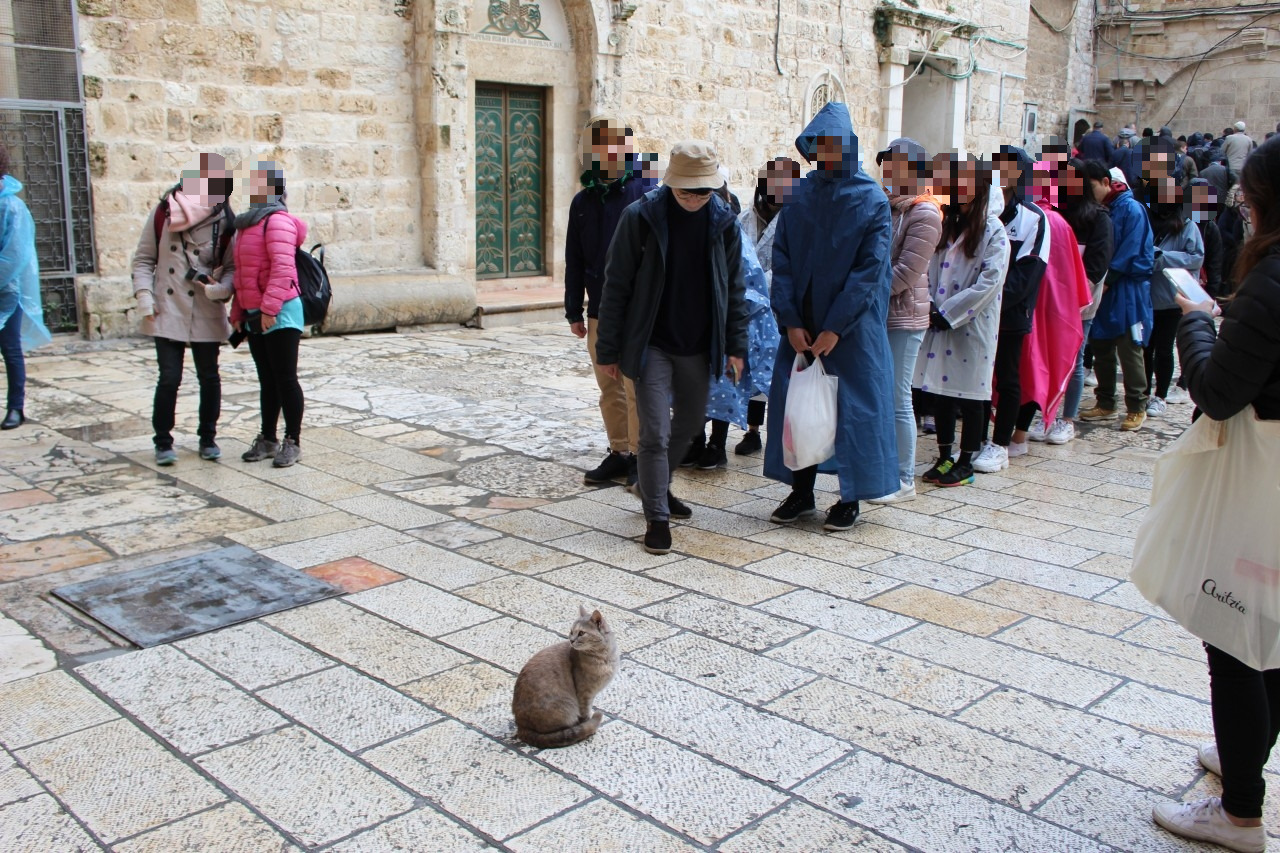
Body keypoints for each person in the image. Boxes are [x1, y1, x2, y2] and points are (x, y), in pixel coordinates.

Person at [1150, 134, 1280, 853]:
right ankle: (1246, 760)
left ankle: (1239, 811)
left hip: (1259, 478)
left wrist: (1198, 326)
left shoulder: (1271, 278)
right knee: (1272, 623)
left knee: (1232, 631)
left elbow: (1218, 391)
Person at [595, 141, 749, 555]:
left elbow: (735, 289)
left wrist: (736, 345)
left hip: (698, 345)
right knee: (655, 434)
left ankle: (652, 486)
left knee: (689, 425)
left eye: (703, 190)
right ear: (671, 183)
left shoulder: (724, 222)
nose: (695, 198)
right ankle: (657, 518)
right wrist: (607, 351)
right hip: (652, 344)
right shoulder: (641, 217)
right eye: (687, 190)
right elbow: (616, 288)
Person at [764, 102, 896, 528]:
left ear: (849, 146)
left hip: (853, 330)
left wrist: (836, 327)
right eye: (819, 145)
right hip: (801, 324)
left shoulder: (872, 200)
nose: (826, 153)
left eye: (833, 145)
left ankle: (850, 496)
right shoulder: (799, 197)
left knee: (853, 410)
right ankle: (801, 491)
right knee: (798, 406)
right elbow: (780, 260)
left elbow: (868, 271)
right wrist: (791, 320)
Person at [131, 154, 236, 465]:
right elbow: (143, 259)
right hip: (167, 306)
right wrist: (144, 298)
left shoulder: (226, 220)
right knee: (169, 377)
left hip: (204, 304)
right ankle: (163, 440)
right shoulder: (165, 212)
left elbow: (231, 267)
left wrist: (222, 289)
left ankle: (208, 437)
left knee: (209, 376)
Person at [914, 155, 1011, 487]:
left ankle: (967, 460)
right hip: (938, 321)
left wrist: (950, 312)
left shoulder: (994, 230)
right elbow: (928, 269)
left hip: (971, 325)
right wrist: (930, 307)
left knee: (971, 393)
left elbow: (990, 280)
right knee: (941, 391)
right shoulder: (947, 225)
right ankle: (944, 456)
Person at [692, 157, 797, 464]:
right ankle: (708, 440)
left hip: (770, 307)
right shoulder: (745, 217)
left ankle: (752, 431)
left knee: (758, 371)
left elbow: (786, 265)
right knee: (725, 374)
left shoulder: (794, 219)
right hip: (731, 306)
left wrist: (756, 287)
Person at [565, 118, 649, 488]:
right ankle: (619, 452)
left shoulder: (646, 194)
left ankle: (641, 457)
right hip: (599, 307)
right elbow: (575, 258)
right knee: (608, 385)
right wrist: (573, 309)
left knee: (635, 386)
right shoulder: (583, 201)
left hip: (636, 309)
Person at [868, 137, 942, 503]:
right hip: (880, 313)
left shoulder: (924, 213)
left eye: (895, 165)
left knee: (898, 397)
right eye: (885, 165)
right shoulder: (887, 206)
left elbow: (906, 272)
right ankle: (884, 470)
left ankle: (903, 478)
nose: (887, 172)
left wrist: (867, 294)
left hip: (903, 317)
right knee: (881, 394)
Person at [971, 146, 1049, 474]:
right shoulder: (977, 212)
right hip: (974, 313)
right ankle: (972, 440)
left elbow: (1029, 271)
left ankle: (1000, 443)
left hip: (1009, 315)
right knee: (974, 378)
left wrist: (991, 301)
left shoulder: (1033, 219)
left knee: (1007, 376)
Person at [1007, 163, 1093, 453]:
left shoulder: (1029, 217)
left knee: (1015, 369)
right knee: (1036, 368)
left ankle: (1012, 436)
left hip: (1021, 304)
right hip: (1051, 309)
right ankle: (1018, 434)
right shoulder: (1058, 221)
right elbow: (1073, 279)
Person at [231, 161, 307, 468]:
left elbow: (283, 269)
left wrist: (269, 309)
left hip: (281, 312)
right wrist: (238, 311)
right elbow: (242, 274)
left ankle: (293, 440)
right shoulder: (247, 224)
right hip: (255, 313)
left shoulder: (278, 221)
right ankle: (267, 438)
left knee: (285, 378)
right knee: (267, 379)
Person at [1034, 158, 1114, 444]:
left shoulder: (1099, 218)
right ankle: (1044, 412)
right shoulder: (1054, 213)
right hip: (1049, 299)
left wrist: (1072, 296)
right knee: (1045, 356)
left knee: (1075, 359)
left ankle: (1066, 419)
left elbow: (1097, 266)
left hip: (1080, 303)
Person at [1080, 168, 1155, 430]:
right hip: (1106, 285)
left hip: (1126, 288)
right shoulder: (1103, 210)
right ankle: (1106, 401)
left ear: (1106, 183)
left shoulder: (1131, 209)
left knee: (1129, 346)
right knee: (1101, 344)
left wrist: (1108, 279)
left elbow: (1131, 250)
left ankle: (1137, 405)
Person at [0, 143, 51, 430]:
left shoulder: (11, 206)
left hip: (7, 292)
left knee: (10, 349)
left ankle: (15, 408)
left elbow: (14, 255)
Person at [1144, 179, 1204, 418]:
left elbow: (1196, 258)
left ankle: (1160, 395)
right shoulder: (1147, 220)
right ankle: (1143, 393)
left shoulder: (1188, 225)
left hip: (1171, 298)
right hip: (1146, 296)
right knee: (1145, 349)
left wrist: (1163, 258)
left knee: (1164, 348)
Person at [1189, 179, 1225, 298]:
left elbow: (1215, 264)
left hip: (1200, 286)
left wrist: (1210, 295)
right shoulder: (1178, 222)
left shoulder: (1210, 227)